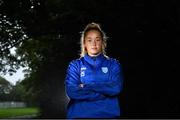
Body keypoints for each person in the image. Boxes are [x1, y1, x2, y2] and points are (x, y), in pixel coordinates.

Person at [64, 22, 124, 119]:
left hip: (108, 116)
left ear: (103, 43)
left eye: (97, 40)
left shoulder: (114, 64)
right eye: (89, 40)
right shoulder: (75, 65)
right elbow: (72, 91)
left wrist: (87, 86)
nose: (94, 44)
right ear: (84, 44)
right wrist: (105, 92)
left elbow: (115, 88)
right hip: (79, 116)